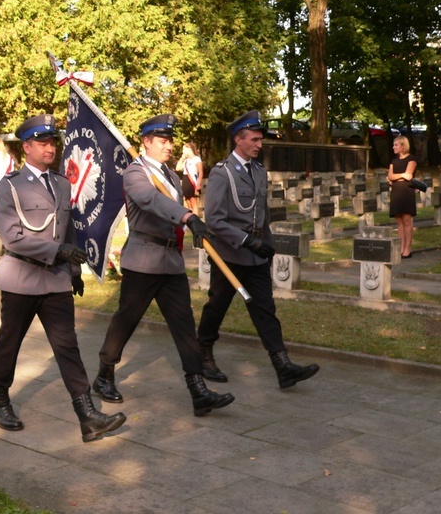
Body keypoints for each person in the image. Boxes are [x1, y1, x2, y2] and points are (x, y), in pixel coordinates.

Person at [0, 114, 126, 443]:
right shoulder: (9, 185)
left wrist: (75, 270)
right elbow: (12, 238)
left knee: (67, 347)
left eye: (53, 143)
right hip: (21, 277)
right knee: (10, 341)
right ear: (27, 147)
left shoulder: (62, 184)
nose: (50, 148)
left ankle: (87, 416)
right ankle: (1, 402)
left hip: (56, 279)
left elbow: (68, 230)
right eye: (43, 143)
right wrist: (60, 252)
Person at [92, 114, 235, 417]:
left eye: (170, 140)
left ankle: (198, 391)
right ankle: (104, 374)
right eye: (162, 140)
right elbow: (150, 201)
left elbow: (174, 206)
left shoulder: (171, 175)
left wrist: (188, 227)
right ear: (146, 142)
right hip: (144, 260)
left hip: (171, 261)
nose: (169, 145)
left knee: (184, 326)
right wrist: (188, 217)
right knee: (126, 320)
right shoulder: (134, 172)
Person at [197, 110, 319, 389]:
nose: (259, 144)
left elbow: (261, 214)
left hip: (256, 256)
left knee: (265, 309)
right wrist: (246, 240)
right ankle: (203, 355)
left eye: (260, 139)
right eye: (254, 139)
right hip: (229, 255)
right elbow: (214, 220)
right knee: (217, 306)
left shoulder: (259, 171)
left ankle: (282, 365)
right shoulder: (221, 173)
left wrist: (268, 244)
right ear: (238, 140)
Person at [387, 136, 418, 258]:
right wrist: (401, 175)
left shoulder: (412, 159)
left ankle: (407, 249)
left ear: (403, 146)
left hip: (406, 191)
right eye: (394, 145)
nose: (393, 147)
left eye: (396, 145)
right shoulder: (393, 161)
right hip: (396, 192)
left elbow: (409, 175)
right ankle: (401, 248)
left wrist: (397, 177)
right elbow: (390, 176)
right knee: (399, 220)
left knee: (407, 220)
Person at [178, 142, 203, 215]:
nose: (183, 151)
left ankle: (195, 221)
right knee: (188, 203)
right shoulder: (186, 160)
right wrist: (182, 158)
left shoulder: (197, 159)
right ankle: (190, 220)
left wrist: (198, 184)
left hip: (193, 182)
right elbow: (178, 168)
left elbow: (201, 172)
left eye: (184, 149)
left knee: (194, 202)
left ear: (189, 149)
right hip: (185, 181)